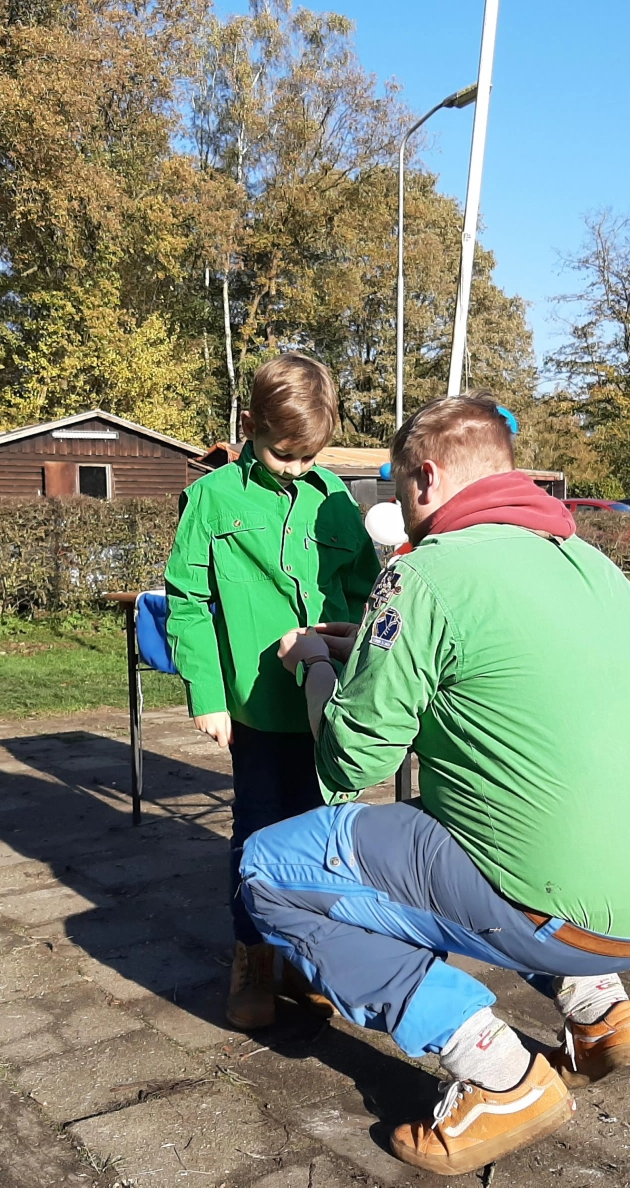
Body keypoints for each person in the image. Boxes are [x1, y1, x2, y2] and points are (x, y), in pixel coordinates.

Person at [240, 395, 630, 1175]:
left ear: (426, 475)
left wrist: (322, 663)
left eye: (397, 490)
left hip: (559, 909)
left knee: (269, 871)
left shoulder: (427, 571)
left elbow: (351, 765)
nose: (398, 508)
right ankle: (601, 1012)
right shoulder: (586, 561)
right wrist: (370, 642)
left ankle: (496, 1072)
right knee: (468, 819)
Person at [164, 353, 380, 1029]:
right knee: (259, 833)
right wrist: (207, 693)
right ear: (251, 425)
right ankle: (254, 954)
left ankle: (307, 956)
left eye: (311, 455)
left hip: (329, 709)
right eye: (285, 455)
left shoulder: (338, 501)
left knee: (324, 836)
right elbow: (189, 600)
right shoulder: (213, 498)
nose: (297, 468)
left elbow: (365, 594)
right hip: (257, 707)